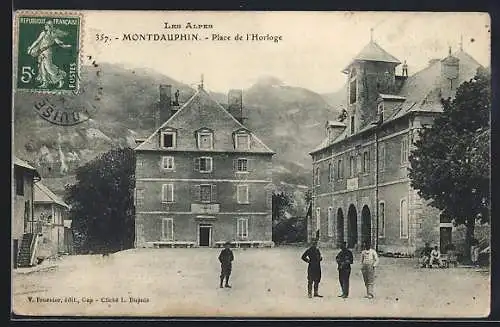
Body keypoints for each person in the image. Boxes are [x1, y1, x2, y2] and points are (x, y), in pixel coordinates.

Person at [27, 19, 72, 89]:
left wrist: (65, 46)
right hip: (41, 52)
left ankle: (60, 79)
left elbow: (58, 42)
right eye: (45, 24)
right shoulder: (43, 33)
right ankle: (45, 83)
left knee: (48, 68)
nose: (45, 26)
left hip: (47, 52)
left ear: (50, 26)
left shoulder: (53, 34)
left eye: (47, 25)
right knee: (42, 68)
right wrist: (30, 48)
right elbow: (37, 41)